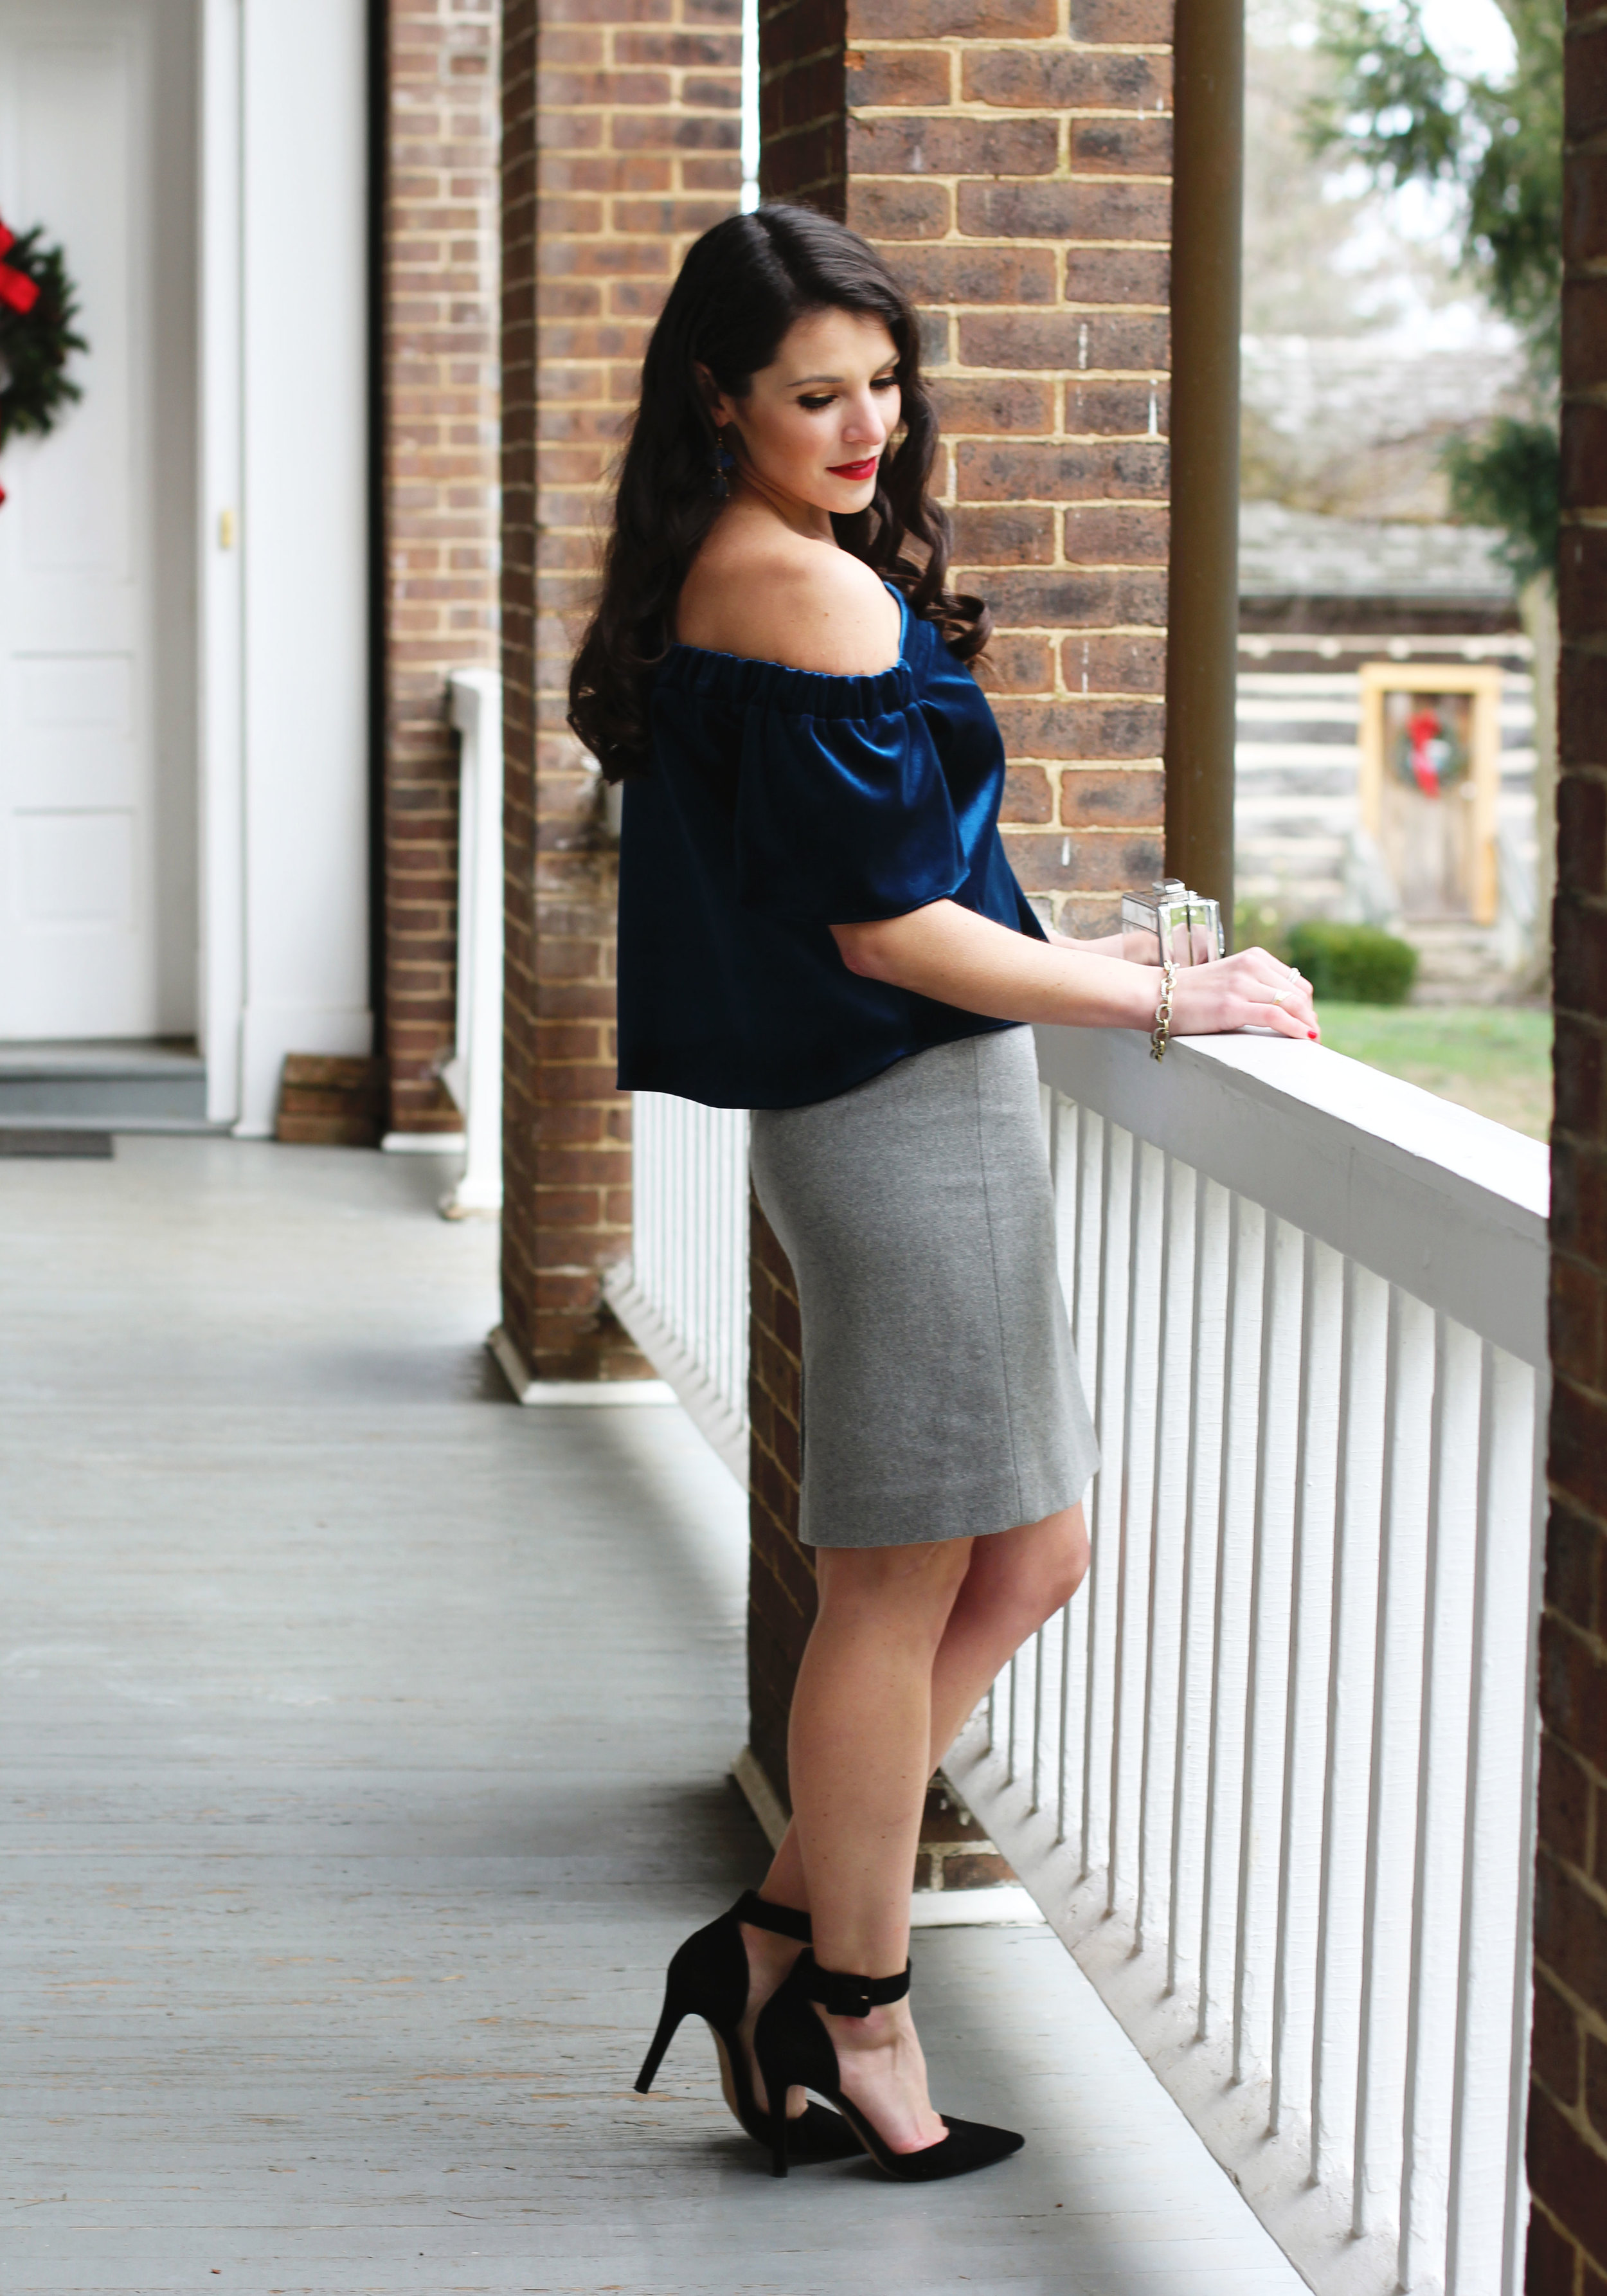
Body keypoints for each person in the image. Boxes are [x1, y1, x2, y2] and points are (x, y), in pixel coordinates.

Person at [569, 204, 1320, 2185]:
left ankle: (768, 1940)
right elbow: (895, 931)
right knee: (903, 1578)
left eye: (883, 385)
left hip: (912, 1112)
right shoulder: (794, 594)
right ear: (716, 397)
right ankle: (858, 2008)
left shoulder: (744, 568)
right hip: (898, 1109)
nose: (863, 425)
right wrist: (1174, 991)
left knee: (1030, 1549)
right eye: (814, 393)